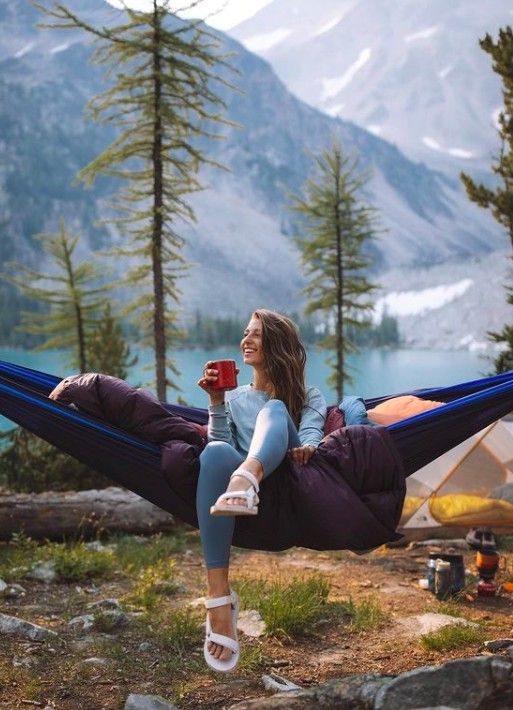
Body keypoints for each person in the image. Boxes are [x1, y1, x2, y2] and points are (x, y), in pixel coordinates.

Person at [196, 308, 327, 672]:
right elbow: (223, 447)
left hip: (289, 474)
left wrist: (310, 447)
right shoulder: (236, 398)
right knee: (214, 451)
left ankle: (247, 478)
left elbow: (313, 430)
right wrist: (217, 402)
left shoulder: (308, 394)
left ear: (277, 345)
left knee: (275, 409)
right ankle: (219, 597)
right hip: (243, 497)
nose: (246, 341)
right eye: (245, 333)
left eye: (256, 334)